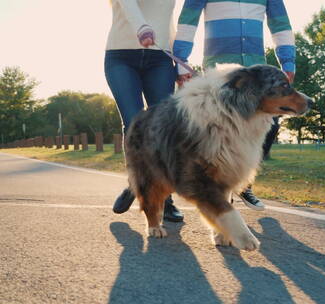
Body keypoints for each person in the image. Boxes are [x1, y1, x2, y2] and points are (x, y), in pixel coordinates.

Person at [174, 0, 296, 211]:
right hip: (220, 71)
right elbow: (188, 20)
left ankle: (244, 185)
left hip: (254, 70)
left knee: (270, 126)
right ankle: (222, 193)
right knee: (222, 134)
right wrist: (180, 60)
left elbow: (280, 24)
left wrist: (288, 61)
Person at [105, 0, 183, 222]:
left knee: (162, 128)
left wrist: (180, 60)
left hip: (160, 59)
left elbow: (169, 21)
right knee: (134, 123)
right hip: (120, 56)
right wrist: (142, 27)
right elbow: (129, 5)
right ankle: (137, 180)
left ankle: (163, 197)